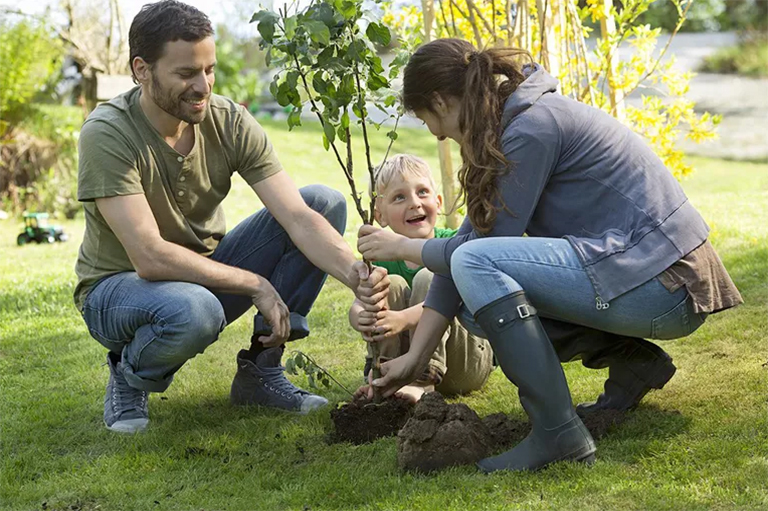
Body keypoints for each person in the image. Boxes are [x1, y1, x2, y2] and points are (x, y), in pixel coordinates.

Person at [357, 38, 742, 473]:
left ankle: (558, 434)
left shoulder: (531, 128)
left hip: (667, 283)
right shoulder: (510, 125)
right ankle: (632, 365)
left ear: (441, 101)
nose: (441, 136)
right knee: (473, 293)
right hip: (644, 274)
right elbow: (473, 241)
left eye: (435, 124)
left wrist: (403, 246)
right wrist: (414, 358)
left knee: (474, 266)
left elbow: (472, 254)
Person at [75, 0, 388, 434]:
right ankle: (129, 373)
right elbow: (149, 256)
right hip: (119, 291)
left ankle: (261, 372)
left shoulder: (226, 120)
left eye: (209, 70)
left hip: (199, 279)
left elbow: (297, 217)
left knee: (321, 202)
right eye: (186, 73)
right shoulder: (108, 133)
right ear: (141, 69)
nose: (202, 86)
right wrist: (254, 283)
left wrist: (357, 277)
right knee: (194, 310)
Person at [348, 154, 494, 402]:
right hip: (402, 365)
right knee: (387, 283)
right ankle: (383, 376)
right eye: (399, 197)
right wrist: (359, 316)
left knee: (431, 276)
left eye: (422, 192)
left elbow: (453, 301)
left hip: (465, 363)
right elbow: (360, 302)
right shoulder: (380, 259)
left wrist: (403, 318)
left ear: (437, 202)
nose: (414, 203)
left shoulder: (452, 244)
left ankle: (422, 381)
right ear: (379, 215)